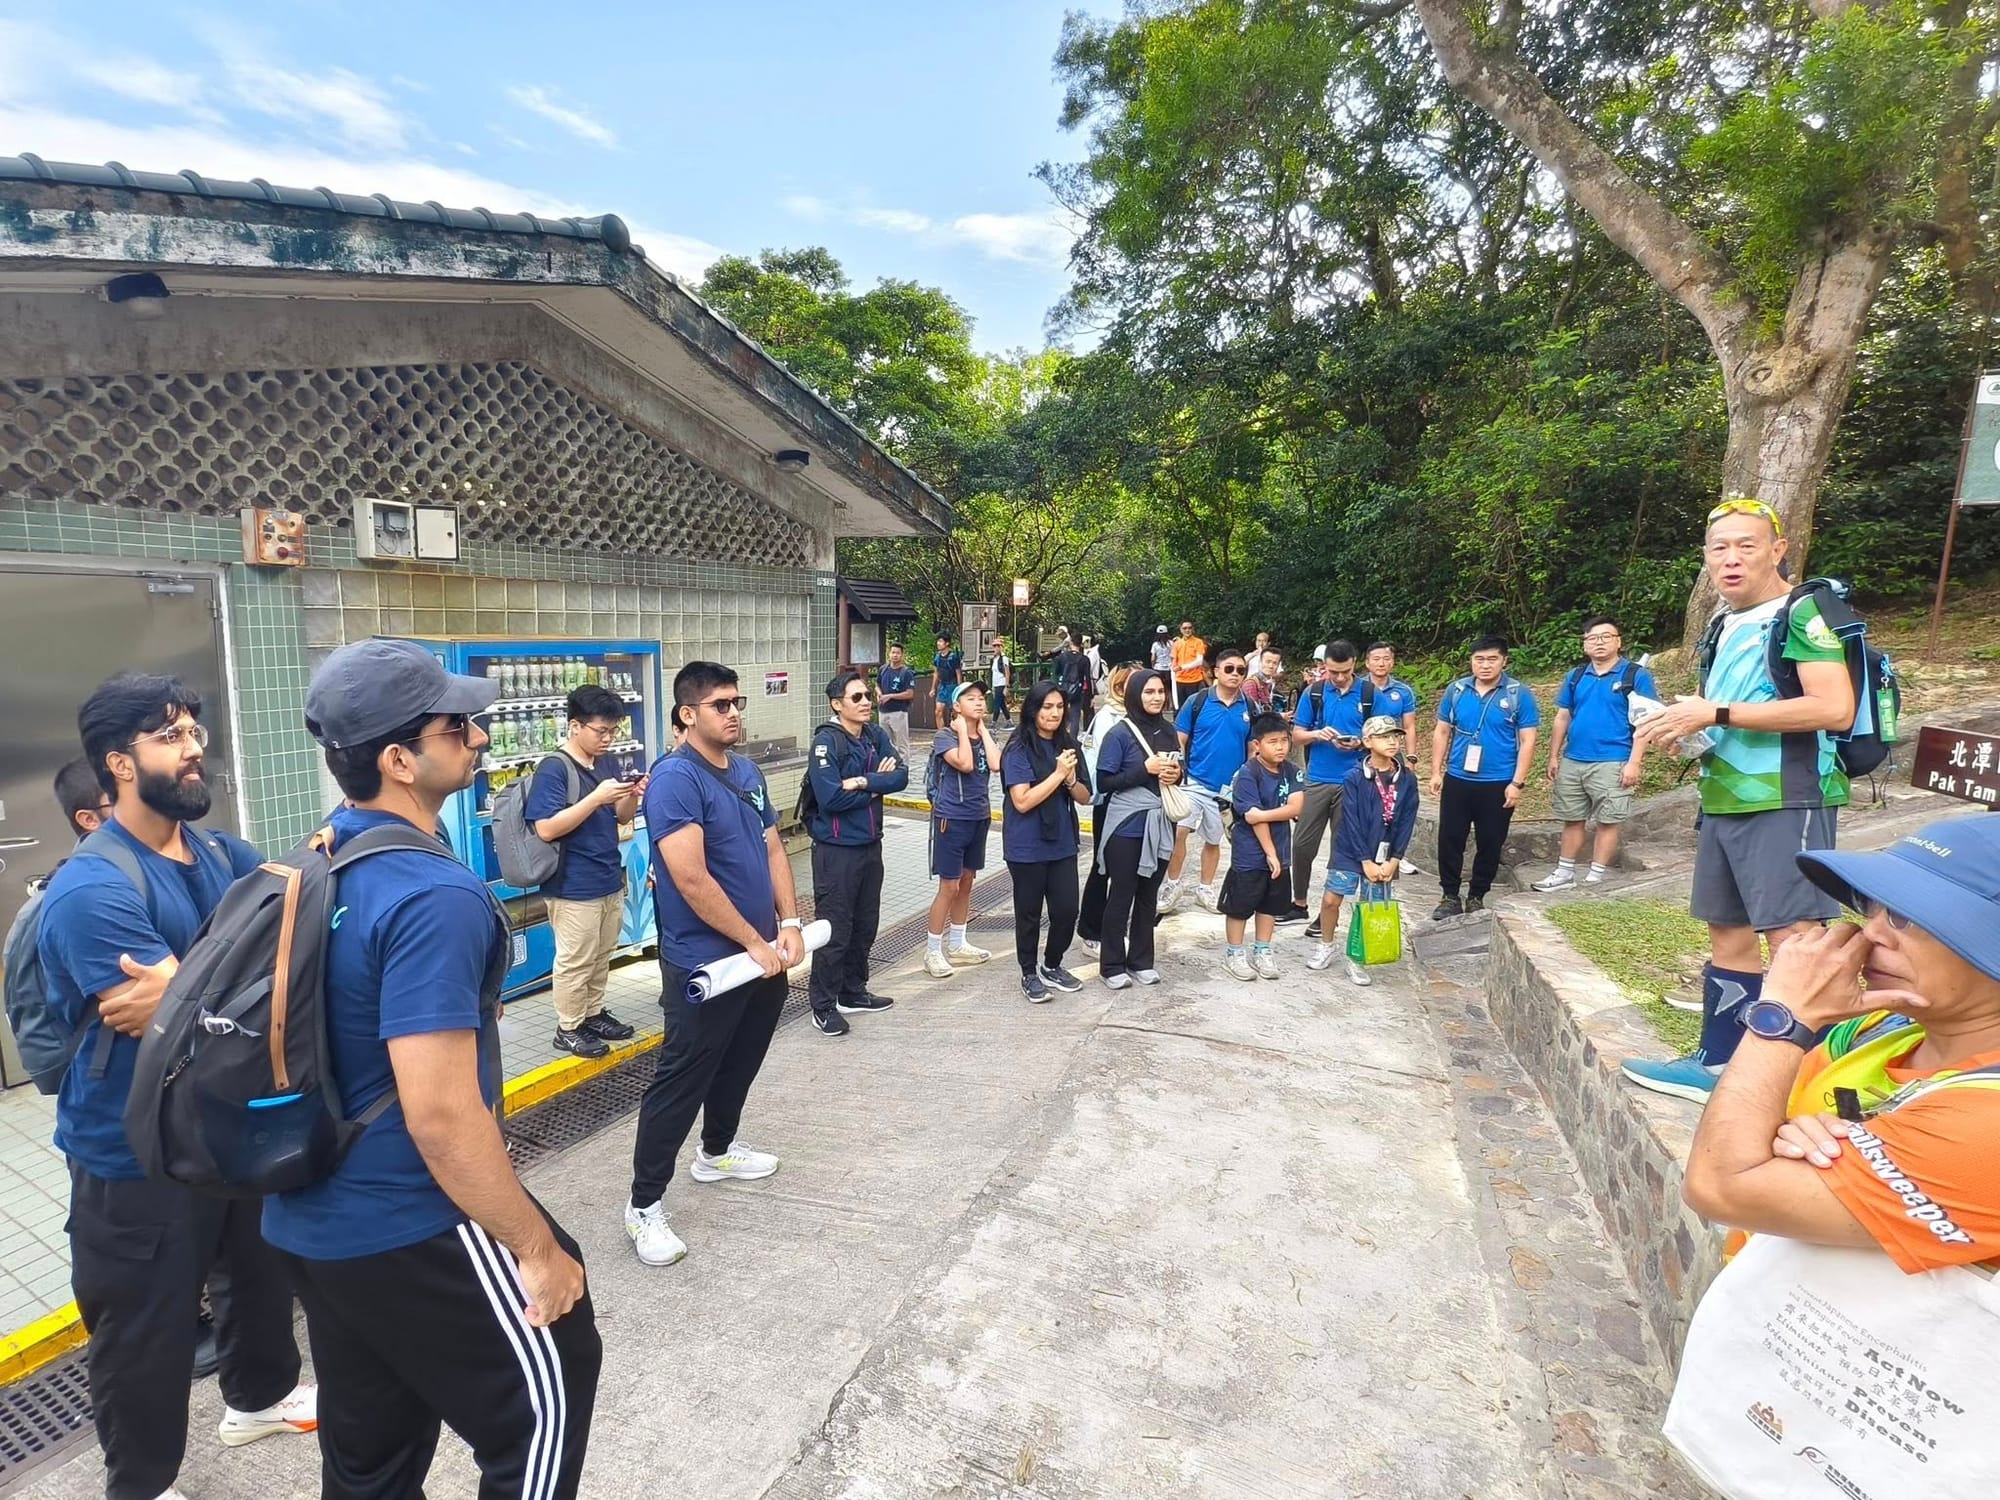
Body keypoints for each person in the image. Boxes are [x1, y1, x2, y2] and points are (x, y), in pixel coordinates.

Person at [271, 639, 601, 1499]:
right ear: (399, 759)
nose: (480, 736)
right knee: (546, 1395)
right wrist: (535, 1247)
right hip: (407, 1216)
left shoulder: (317, 858)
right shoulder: (432, 895)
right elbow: (443, 1118)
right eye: (458, 725)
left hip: (311, 1224)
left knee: (370, 1453)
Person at [37, 674, 315, 1500]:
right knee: (144, 1326)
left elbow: (280, 969)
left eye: (194, 729)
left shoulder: (222, 854)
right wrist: (234, 986)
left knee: (256, 1272)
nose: (196, 747)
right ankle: (142, 1483)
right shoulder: (92, 889)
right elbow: (207, 1014)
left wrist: (200, 988)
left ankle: (258, 1401)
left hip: (223, 1122)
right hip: (131, 1150)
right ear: (120, 764)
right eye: (171, 736)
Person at [1681, 813, 2000, 1278]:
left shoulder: (1987, 1125)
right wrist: (1779, 1135)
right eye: (1873, 907)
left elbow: (1721, 1184)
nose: (1870, 933)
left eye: (1904, 917)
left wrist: (1784, 1017)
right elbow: (1739, 1130)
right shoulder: (1880, 1028)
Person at [1624, 499, 1855, 1103]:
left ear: (1778, 550)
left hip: (1786, 796)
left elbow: (1834, 707)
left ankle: (1799, 1082)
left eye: (1746, 545)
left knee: (1794, 940)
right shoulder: (1725, 623)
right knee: (1727, 930)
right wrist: (1689, 731)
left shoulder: (1806, 613)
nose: (1731, 558)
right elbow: (1723, 714)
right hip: (1723, 795)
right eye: (1719, 548)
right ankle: (1719, 1062)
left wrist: (1716, 711)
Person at [627, 662, 803, 1266]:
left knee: (740, 1063)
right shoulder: (676, 779)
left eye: (737, 702)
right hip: (708, 965)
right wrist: (752, 943)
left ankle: (717, 1152)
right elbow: (690, 878)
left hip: (761, 957)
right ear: (687, 714)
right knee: (682, 1080)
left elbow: (773, 846)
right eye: (720, 704)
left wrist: (789, 922)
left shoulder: (747, 771)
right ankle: (644, 1206)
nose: (734, 713)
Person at [530, 683, 646, 1060]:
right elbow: (546, 828)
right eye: (601, 731)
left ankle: (592, 1014)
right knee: (575, 959)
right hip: (572, 882)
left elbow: (621, 817)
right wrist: (595, 797)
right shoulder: (554, 768)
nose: (608, 739)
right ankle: (567, 1027)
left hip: (608, 874)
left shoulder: (606, 762)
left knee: (602, 953)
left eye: (613, 731)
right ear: (575, 725)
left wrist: (631, 795)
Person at [803, 671, 907, 1036]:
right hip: (836, 851)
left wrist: (864, 781)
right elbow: (830, 797)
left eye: (867, 696)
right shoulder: (826, 743)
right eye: (857, 697)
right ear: (837, 704)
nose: (866, 702)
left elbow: (901, 776)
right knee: (835, 929)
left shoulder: (875, 735)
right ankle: (824, 1005)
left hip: (869, 845)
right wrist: (878, 787)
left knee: (865, 924)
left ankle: (853, 990)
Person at [1533, 617, 1657, 892]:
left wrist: (1634, 762)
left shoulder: (1635, 676)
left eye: (1605, 636)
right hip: (1574, 759)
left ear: (1618, 641)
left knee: (1608, 820)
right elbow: (1562, 716)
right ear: (1584, 644)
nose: (1599, 643)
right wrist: (1554, 756)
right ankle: (1564, 872)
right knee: (1572, 818)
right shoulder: (1576, 676)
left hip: (1614, 759)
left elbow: (1645, 721)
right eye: (1592, 638)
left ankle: (1595, 878)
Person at [1428, 637, 1540, 919]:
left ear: (1504, 661)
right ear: (1471, 661)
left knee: (1491, 841)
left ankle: (1477, 895)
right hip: (1458, 778)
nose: (1485, 665)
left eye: (1492, 659)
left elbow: (1528, 740)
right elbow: (1442, 731)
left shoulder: (1518, 694)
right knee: (1450, 837)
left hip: (1499, 782)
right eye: (1480, 659)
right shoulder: (1456, 690)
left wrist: (1517, 783)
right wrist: (1435, 771)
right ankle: (1450, 895)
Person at [1310, 716, 1420, 984]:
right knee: (1331, 899)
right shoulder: (1355, 777)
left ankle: (1357, 957)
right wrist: (1364, 860)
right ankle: (1326, 944)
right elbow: (1351, 820)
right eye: (1384, 737)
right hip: (1351, 849)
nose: (1392, 742)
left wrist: (1395, 859)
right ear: (1368, 742)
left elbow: (1407, 820)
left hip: (1385, 853)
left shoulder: (1406, 779)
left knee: (1370, 906)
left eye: (1395, 736)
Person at [1001, 681, 1093, 1002]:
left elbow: (1085, 796)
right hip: (1026, 844)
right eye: (1047, 707)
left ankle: (1052, 964)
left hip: (1062, 842)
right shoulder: (1018, 747)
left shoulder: (1069, 745)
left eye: (1059, 707)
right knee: (1028, 913)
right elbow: (1022, 800)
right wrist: (1057, 775)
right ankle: (1028, 972)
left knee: (1067, 910)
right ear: (1033, 709)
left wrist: (1069, 779)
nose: (1054, 713)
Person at [1093, 669, 1184, 989]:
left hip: (1161, 822)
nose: (1156, 697)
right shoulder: (1119, 734)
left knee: (1149, 895)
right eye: (1148, 692)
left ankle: (1142, 961)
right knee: (1122, 893)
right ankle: (1112, 965)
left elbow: (1178, 772)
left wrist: (1175, 776)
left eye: (1160, 691)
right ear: (1134, 695)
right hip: (1127, 824)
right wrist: (1142, 769)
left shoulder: (1169, 731)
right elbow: (1104, 782)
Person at [1161, 645, 1254, 914]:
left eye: (1241, 670)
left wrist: (1245, 779)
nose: (1235, 674)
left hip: (1227, 789)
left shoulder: (1249, 706)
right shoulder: (1198, 702)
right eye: (1229, 669)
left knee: (1214, 840)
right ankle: (1173, 883)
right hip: (1194, 781)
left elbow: (1251, 746)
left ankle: (1206, 887)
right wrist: (1175, 770)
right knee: (1180, 831)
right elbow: (1180, 738)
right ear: (1216, 672)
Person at [1287, 640, 1369, 930]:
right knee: (1301, 843)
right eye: (1332, 671)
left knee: (1340, 849)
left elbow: (1384, 735)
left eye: (1344, 671)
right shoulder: (1315, 692)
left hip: (1355, 780)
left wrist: (1361, 742)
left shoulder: (1370, 693)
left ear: (1354, 664)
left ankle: (1327, 912)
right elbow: (1296, 735)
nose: (1338, 677)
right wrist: (1318, 734)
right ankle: (1298, 903)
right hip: (1318, 778)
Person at [923, 680, 999, 979]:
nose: (979, 703)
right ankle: (933, 950)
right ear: (957, 706)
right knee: (949, 885)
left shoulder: (983, 734)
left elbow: (995, 763)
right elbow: (965, 764)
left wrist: (981, 731)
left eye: (981, 698)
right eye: (971, 699)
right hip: (951, 818)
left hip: (978, 817)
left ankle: (958, 943)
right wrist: (962, 732)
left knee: (967, 881)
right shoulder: (944, 737)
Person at [1220, 713, 1303, 982]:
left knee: (1270, 903)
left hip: (1281, 847)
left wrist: (1263, 814)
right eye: (1272, 742)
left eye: (1284, 741)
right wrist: (1269, 853)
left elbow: (1296, 807)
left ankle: (1262, 949)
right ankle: (1234, 952)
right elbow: (1252, 820)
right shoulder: (1248, 773)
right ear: (1257, 745)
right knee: (1240, 904)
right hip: (1251, 851)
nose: (1280, 747)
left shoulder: (1292, 771)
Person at [1076, 662, 1136, 958]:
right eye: (1135, 684)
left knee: (1130, 872)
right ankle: (1090, 931)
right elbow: (1100, 764)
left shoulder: (1145, 717)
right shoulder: (1107, 717)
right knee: (1104, 867)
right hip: (1111, 800)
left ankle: (1118, 930)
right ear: (1119, 687)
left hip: (1141, 804)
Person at [1361, 643, 1420, 751]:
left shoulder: (1404, 691)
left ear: (1392, 662)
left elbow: (1409, 727)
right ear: (1367, 663)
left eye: (1386, 659)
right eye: (1376, 659)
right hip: (1361, 748)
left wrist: (1411, 757)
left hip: (1391, 748)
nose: (1381, 663)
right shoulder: (1357, 688)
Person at [876, 642, 915, 758]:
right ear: (889, 653)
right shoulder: (883, 669)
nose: (895, 655)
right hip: (883, 711)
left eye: (898, 653)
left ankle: (904, 770)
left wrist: (890, 696)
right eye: (893, 652)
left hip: (898, 712)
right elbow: (877, 684)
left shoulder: (906, 673)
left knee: (901, 744)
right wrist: (879, 693)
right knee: (885, 743)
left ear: (902, 655)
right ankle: (889, 769)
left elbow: (910, 693)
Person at [1057, 631, 1092, 736]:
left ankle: (1060, 736)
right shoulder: (1084, 659)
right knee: (1075, 715)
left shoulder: (1062, 657)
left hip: (1063, 688)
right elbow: (1087, 678)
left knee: (1061, 712)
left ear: (1071, 642)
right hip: (1078, 689)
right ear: (1080, 643)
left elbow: (1057, 672)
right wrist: (1090, 696)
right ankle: (1073, 740)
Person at [1170, 619, 1208, 708]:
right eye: (1185, 628)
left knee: (1193, 706)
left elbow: (1199, 661)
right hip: (1179, 679)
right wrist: (1173, 669)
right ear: (1181, 629)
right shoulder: (1177, 643)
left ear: (1193, 629)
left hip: (1194, 680)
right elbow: (1174, 660)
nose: (1187, 630)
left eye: (1189, 628)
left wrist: (1182, 667)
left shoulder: (1198, 642)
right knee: (1179, 706)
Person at [932, 634, 964, 719]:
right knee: (938, 711)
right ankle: (941, 732)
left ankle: (956, 730)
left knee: (954, 712)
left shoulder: (953, 657)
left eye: (941, 641)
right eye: (938, 641)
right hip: (942, 686)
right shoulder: (937, 657)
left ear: (947, 643)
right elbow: (936, 673)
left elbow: (958, 673)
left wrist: (959, 689)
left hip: (952, 685)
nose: (938, 643)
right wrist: (933, 688)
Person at [988, 636, 1014, 727]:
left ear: (1001, 647)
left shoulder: (1004, 659)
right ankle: (1009, 721)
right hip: (996, 684)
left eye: (997, 646)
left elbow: (1007, 672)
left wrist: (1006, 687)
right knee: (1002, 704)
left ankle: (993, 722)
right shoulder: (994, 660)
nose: (995, 648)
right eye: (994, 646)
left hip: (1002, 684)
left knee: (997, 704)